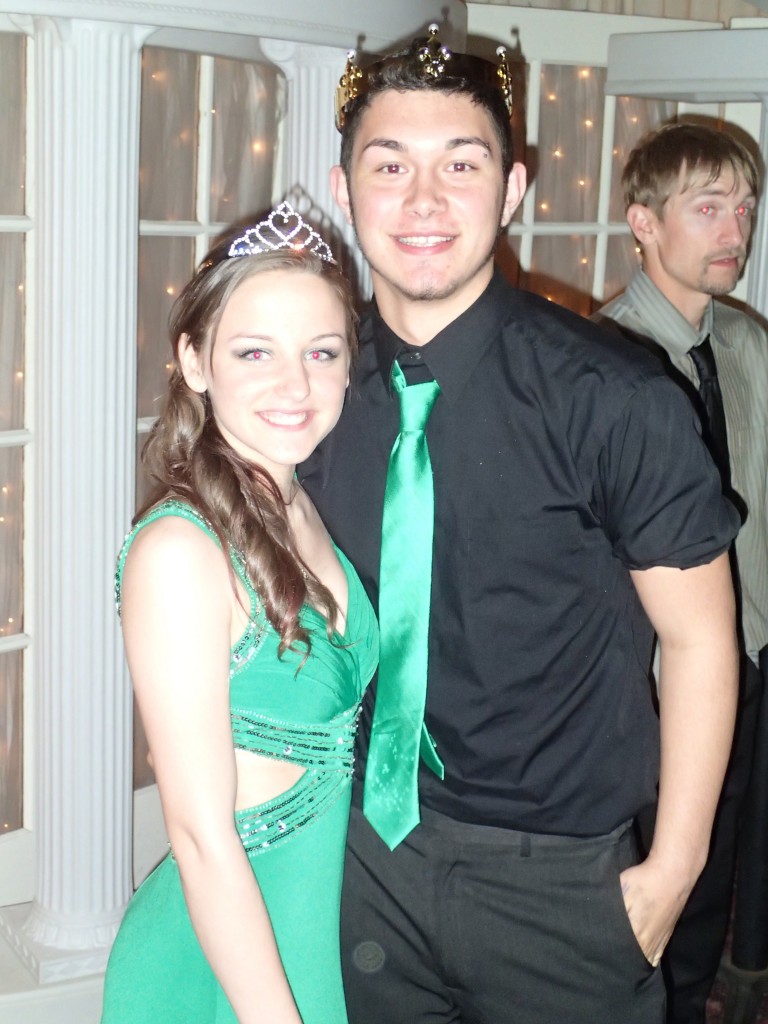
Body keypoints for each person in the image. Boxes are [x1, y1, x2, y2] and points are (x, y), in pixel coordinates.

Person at [299, 25, 741, 1024]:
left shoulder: (615, 398)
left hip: (557, 882)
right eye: (390, 165)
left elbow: (700, 636)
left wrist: (673, 869)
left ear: (511, 190)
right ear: (343, 187)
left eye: (462, 164)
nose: (422, 200)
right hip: (367, 856)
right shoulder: (314, 390)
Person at [100, 202, 378, 1024]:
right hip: (228, 962)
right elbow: (197, 831)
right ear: (194, 359)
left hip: (312, 925)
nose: (295, 386)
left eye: (321, 353)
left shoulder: (304, 505)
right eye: (254, 351)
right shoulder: (181, 553)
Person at [593, 121, 768, 1024]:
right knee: (644, 892)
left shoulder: (746, 346)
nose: (735, 229)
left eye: (744, 207)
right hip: (644, 689)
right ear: (643, 223)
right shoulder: (599, 364)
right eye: (708, 208)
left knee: (714, 878)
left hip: (743, 663)